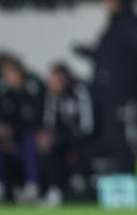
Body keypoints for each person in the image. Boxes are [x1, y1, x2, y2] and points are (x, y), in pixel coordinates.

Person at [74, 0, 137, 173]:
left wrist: (123, 78)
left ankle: (130, 181)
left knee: (125, 139)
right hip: (108, 97)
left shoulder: (131, 25)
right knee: (110, 138)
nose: (105, 5)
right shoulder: (114, 26)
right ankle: (115, 180)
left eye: (108, 1)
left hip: (124, 96)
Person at [0, 55, 44, 203]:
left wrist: (11, 130)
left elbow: (34, 120)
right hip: (3, 139)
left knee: (30, 142)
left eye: (13, 73)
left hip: (23, 138)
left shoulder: (33, 92)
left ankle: (32, 188)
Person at [38, 63, 95, 206]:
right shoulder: (52, 96)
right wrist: (47, 136)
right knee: (46, 147)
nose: (53, 84)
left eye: (56, 81)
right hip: (63, 139)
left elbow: (87, 126)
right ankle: (51, 190)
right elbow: (49, 123)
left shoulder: (81, 91)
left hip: (84, 138)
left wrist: (60, 137)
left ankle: (84, 187)